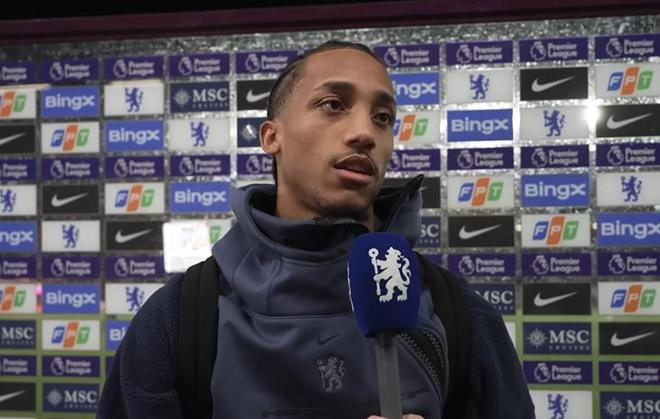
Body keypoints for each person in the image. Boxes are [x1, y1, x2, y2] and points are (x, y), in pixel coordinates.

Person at [98, 40, 535, 419]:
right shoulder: (178, 319)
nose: (365, 132)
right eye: (333, 105)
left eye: (382, 117)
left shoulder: (458, 314)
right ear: (272, 137)